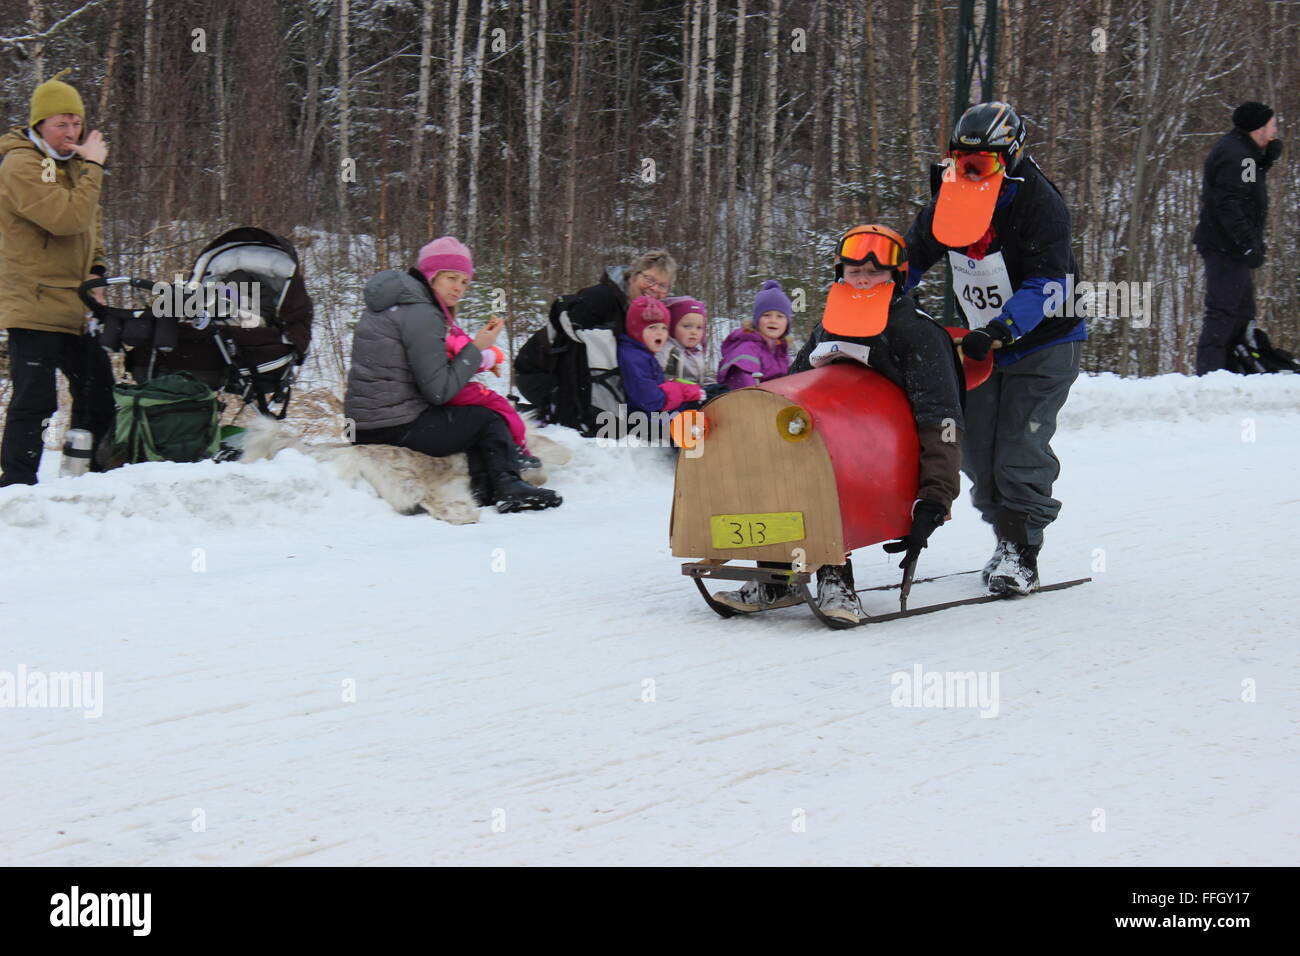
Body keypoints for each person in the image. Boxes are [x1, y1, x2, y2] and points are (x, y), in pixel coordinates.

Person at [713, 225, 965, 625]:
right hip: (826, 438)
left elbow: (942, 419)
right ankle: (776, 573)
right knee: (782, 447)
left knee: (828, 461)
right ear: (839, 275)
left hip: (884, 454)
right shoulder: (828, 327)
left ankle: (835, 575)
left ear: (896, 275)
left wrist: (936, 498)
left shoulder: (918, 332)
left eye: (874, 271)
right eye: (853, 270)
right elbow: (789, 392)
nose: (863, 278)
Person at [904, 101, 1085, 596]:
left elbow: (1053, 282)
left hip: (1046, 342)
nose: (969, 169)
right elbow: (918, 248)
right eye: (960, 159)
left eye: (981, 162)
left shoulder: (1038, 203)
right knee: (976, 450)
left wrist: (1005, 326)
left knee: (1020, 449)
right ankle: (1005, 534)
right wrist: (888, 287)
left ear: (1010, 156)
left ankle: (1021, 552)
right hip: (980, 344)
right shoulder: (951, 192)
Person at [344, 236, 560, 513]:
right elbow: (438, 391)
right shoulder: (421, 311)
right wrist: (476, 349)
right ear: (431, 276)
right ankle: (509, 486)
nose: (459, 288)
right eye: (451, 278)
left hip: (365, 423)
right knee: (488, 419)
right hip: (392, 425)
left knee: (467, 417)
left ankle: (485, 488)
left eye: (464, 282)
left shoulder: (395, 304)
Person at [0, 70, 114, 486]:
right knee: (35, 400)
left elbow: (90, 225)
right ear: (38, 125)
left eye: (76, 122)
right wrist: (93, 167)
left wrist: (97, 270)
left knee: (98, 388)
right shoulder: (24, 164)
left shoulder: (71, 167)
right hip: (33, 301)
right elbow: (67, 219)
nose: (71, 131)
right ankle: (15, 487)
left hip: (71, 302)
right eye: (60, 123)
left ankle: (89, 476)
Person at [1192, 101, 1283, 375]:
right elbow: (1229, 203)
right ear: (1258, 128)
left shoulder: (1244, 153)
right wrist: (1247, 243)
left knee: (1242, 313)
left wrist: (1264, 161)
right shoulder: (1238, 155)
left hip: (1231, 246)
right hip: (1226, 246)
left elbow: (1246, 187)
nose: (1276, 128)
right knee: (1222, 312)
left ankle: (1232, 372)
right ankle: (1209, 377)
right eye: (1272, 124)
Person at [617, 295, 703, 418]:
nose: (660, 333)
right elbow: (650, 400)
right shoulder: (634, 358)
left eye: (664, 328)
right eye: (652, 327)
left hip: (651, 415)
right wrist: (681, 390)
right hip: (641, 421)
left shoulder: (643, 354)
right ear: (636, 330)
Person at [716, 280, 792, 389]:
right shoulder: (747, 348)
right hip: (748, 401)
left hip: (775, 402)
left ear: (787, 323)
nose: (773, 320)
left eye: (780, 316)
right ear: (757, 320)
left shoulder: (781, 352)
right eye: (767, 315)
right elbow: (744, 383)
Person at [657, 296, 715, 386]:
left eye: (699, 327)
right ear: (672, 327)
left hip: (698, 395)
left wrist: (711, 385)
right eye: (687, 326)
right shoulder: (667, 351)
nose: (693, 332)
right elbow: (658, 376)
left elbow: (705, 375)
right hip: (677, 396)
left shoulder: (697, 351)